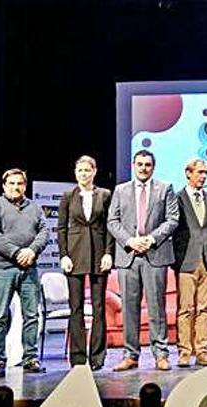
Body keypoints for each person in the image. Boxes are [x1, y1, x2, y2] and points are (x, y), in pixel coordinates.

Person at [107, 150, 179, 371]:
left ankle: (161, 354)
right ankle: (131, 355)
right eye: (140, 164)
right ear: (133, 165)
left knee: (157, 306)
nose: (143, 168)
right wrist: (130, 241)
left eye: (147, 165)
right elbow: (112, 221)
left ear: (153, 167)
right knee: (130, 308)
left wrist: (150, 239)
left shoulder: (165, 188)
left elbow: (173, 219)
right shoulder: (120, 190)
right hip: (129, 255)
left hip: (154, 254)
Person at [0, 168, 49, 378]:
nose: (15, 187)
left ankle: (30, 358)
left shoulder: (35, 208)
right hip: (2, 268)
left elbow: (44, 232)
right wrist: (18, 252)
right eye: (11, 183)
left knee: (31, 315)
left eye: (19, 183)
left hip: (29, 268)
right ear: (4, 186)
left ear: (25, 186)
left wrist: (32, 251)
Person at [56, 155, 114, 371]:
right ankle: (78, 357)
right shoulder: (68, 196)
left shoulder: (104, 195)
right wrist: (64, 255)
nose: (83, 174)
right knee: (76, 307)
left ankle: (97, 357)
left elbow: (110, 226)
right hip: (75, 255)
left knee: (99, 308)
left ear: (94, 172)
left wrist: (109, 253)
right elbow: (61, 228)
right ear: (75, 172)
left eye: (87, 170)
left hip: (99, 255)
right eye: (79, 171)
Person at [172, 158, 207, 367]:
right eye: (199, 172)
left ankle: (202, 351)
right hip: (186, 261)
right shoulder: (177, 198)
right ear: (188, 173)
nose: (203, 176)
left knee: (203, 309)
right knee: (186, 309)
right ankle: (184, 352)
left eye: (205, 173)